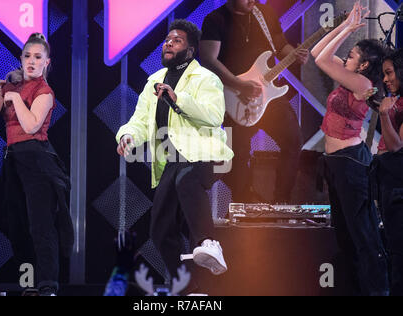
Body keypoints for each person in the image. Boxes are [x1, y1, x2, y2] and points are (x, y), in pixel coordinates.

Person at [116, 20, 234, 283]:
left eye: (177, 40)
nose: (168, 43)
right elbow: (140, 121)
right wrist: (127, 136)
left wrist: (179, 100)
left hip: (204, 154)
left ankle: (209, 242)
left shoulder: (206, 78)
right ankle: (188, 286)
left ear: (190, 51)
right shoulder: (154, 82)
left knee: (187, 178)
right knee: (160, 230)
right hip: (172, 160)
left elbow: (214, 116)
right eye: (167, 39)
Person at [0, 33, 73, 296]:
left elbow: (31, 126)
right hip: (13, 159)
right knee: (18, 227)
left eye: (37, 57)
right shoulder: (9, 89)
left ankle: (47, 286)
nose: (31, 61)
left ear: (46, 62)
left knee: (40, 225)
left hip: (37, 159)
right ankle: (28, 285)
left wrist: (15, 99)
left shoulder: (44, 92)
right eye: (27, 56)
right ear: (20, 58)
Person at [311, 2, 389, 295]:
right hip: (336, 163)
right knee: (345, 236)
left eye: (353, 55)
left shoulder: (361, 82)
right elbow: (320, 54)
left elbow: (321, 60)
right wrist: (346, 27)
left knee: (364, 236)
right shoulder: (349, 79)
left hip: (351, 163)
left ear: (365, 65)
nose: (346, 57)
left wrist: (348, 28)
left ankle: (378, 291)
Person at [200, 0, 308, 203]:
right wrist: (239, 85)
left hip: (268, 94)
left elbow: (280, 44)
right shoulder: (216, 20)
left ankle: (281, 200)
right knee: (238, 155)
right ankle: (244, 202)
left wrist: (294, 54)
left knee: (293, 140)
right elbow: (208, 59)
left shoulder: (264, 13)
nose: (252, 0)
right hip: (235, 97)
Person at [369, 49, 403, 296]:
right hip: (388, 184)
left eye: (390, 73)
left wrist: (384, 115)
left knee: (398, 255)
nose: (386, 79)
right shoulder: (396, 99)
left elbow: (396, 146)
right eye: (384, 74)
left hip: (398, 188)